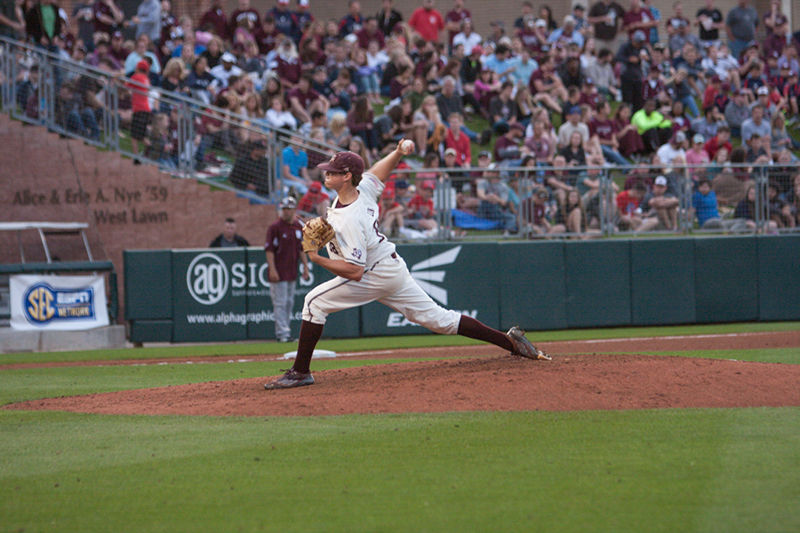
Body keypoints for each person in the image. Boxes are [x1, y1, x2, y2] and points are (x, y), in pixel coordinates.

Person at [263, 142, 550, 390]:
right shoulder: (361, 189)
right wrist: (398, 152)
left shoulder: (349, 219)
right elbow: (379, 172)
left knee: (314, 302)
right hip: (391, 268)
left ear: (347, 176)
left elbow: (355, 272)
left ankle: (300, 373)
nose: (326, 172)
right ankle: (511, 342)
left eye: (332, 170)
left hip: (372, 273)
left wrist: (316, 258)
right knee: (441, 319)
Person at [265, 196, 310, 343]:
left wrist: (305, 266)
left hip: (291, 271)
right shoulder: (275, 227)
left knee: (289, 302)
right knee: (280, 303)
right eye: (284, 209)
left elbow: (301, 248)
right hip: (279, 271)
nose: (286, 212)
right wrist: (272, 269)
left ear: (294, 210)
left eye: (288, 209)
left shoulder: (297, 226)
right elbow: (269, 250)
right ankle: (282, 333)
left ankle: (286, 331)